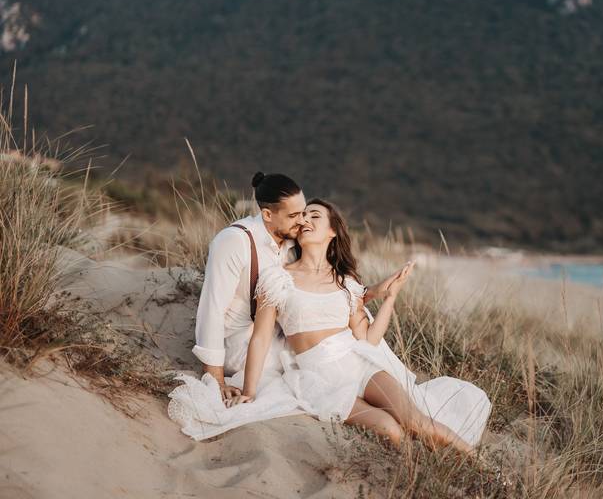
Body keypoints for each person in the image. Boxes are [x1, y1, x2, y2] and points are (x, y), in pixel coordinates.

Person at [230, 198, 491, 453]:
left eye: (315, 215)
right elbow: (261, 338)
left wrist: (390, 298)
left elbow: (367, 339)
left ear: (332, 231)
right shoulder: (278, 277)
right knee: (391, 430)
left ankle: (486, 470)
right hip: (320, 378)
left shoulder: (346, 283)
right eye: (303, 216)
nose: (306, 219)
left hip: (360, 365)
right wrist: (249, 392)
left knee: (416, 422)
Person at [168, 173, 407, 439]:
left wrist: (372, 292)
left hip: (281, 334)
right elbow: (211, 312)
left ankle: (367, 382)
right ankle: (348, 390)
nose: (302, 220)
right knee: (323, 363)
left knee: (351, 328)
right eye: (295, 216)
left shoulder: (291, 240)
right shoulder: (234, 242)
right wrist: (216, 379)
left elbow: (319, 293)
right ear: (268, 215)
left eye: (305, 213)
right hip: (244, 344)